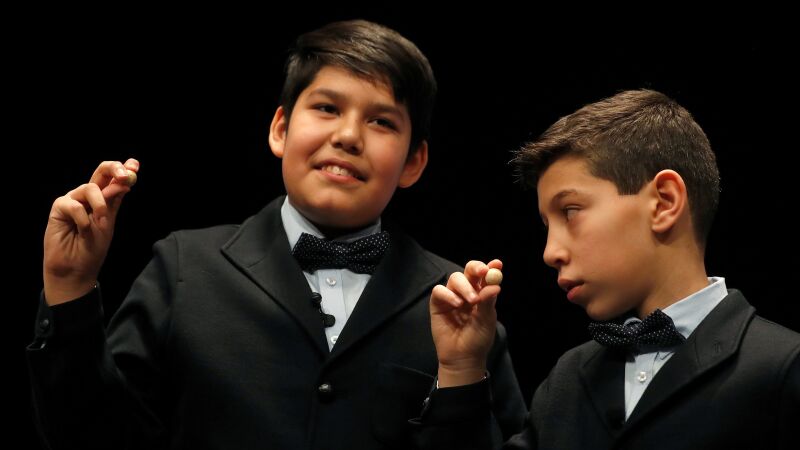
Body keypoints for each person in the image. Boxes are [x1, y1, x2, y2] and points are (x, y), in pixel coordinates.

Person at [28, 20, 526, 449]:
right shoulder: (184, 267)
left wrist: (461, 376)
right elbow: (90, 436)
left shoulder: (461, 303)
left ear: (414, 161)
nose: (348, 136)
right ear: (280, 130)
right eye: (327, 108)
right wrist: (69, 289)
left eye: (381, 121)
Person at [415, 89, 800, 449]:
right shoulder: (568, 379)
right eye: (547, 226)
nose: (549, 253)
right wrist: (461, 368)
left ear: (664, 203)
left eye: (570, 211)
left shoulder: (783, 368)